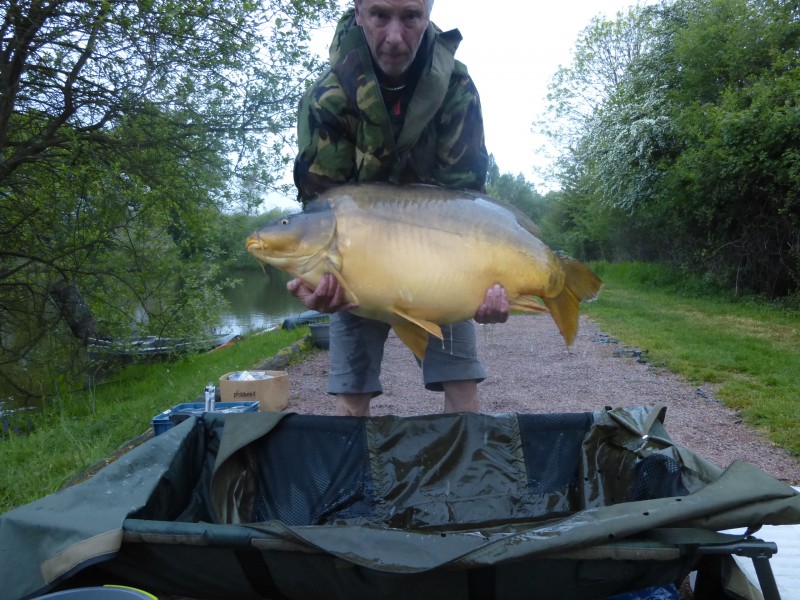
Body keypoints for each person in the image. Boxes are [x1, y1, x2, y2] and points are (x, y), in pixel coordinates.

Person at [289, 0, 508, 416]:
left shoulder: (456, 88)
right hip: (358, 262)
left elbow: (464, 202)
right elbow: (322, 206)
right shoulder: (328, 97)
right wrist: (315, 281)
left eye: (410, 17)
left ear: (427, 15)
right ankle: (353, 478)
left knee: (460, 383)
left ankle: (462, 476)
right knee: (352, 394)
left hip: (435, 262)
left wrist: (478, 288)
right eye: (379, 15)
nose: (394, 37)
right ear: (357, 13)